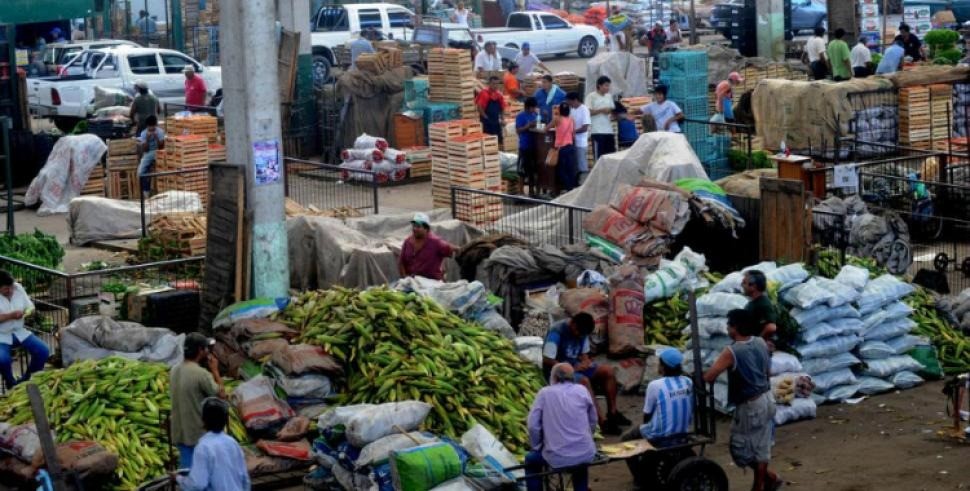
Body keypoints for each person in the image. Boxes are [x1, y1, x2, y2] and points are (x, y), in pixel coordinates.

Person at [704, 309, 780, 491]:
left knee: (740, 449)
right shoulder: (761, 342)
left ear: (735, 328)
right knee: (761, 447)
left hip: (750, 405)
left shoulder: (732, 351)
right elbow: (768, 372)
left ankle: (764, 481)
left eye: (729, 324)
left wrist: (695, 377)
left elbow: (710, 376)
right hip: (767, 398)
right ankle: (764, 482)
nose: (727, 328)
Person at [542, 313, 631, 434]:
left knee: (608, 371)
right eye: (578, 332)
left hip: (575, 365)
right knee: (584, 381)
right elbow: (547, 359)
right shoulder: (557, 332)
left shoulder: (582, 332)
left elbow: (584, 354)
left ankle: (613, 413)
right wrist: (569, 368)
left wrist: (585, 362)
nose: (579, 335)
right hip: (557, 370)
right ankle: (601, 421)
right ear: (573, 324)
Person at [621, 349, 692, 488]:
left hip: (660, 434)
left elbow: (647, 414)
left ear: (663, 366)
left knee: (626, 439)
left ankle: (639, 479)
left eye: (659, 363)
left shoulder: (655, 385)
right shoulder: (688, 381)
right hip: (683, 429)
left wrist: (645, 433)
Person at [525, 363, 597, 491]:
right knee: (580, 464)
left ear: (555, 378)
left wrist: (537, 447)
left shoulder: (544, 393)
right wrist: (586, 438)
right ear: (572, 377)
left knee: (531, 460)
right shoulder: (582, 390)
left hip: (557, 456)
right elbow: (593, 420)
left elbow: (533, 425)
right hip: (585, 452)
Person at [171, 333, 225, 469]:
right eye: (206, 348)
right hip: (197, 432)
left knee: (187, 469)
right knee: (201, 471)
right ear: (201, 351)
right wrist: (215, 370)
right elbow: (221, 395)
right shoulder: (201, 374)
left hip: (180, 429)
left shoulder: (174, 370)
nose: (208, 351)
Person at [175, 398, 251, 490]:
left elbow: (197, 484)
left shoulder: (203, 447)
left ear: (204, 421)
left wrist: (179, 479)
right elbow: (245, 479)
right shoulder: (233, 443)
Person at [0, 271, 49, 389]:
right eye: (6, 289)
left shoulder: (18, 288)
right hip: (1, 335)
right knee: (3, 360)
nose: (10, 291)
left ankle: (27, 380)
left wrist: (29, 312)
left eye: (11, 287)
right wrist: (10, 316)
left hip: (19, 332)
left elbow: (30, 306)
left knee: (43, 351)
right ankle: (11, 383)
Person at [398, 212, 456, 280]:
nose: (415, 229)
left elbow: (451, 251)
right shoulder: (407, 242)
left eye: (418, 226)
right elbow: (401, 262)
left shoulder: (436, 242)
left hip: (430, 283)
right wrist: (405, 279)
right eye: (414, 226)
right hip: (411, 282)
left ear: (426, 229)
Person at [742, 270, 778, 344]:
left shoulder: (763, 303)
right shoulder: (754, 302)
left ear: (753, 286)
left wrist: (756, 342)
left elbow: (771, 327)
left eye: (744, 283)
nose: (742, 285)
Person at [550, 102, 579, 192]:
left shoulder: (557, 119)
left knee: (561, 170)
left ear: (560, 110)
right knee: (570, 169)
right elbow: (573, 134)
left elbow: (546, 128)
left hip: (561, 148)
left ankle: (568, 188)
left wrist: (554, 112)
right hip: (570, 146)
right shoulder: (571, 120)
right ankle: (571, 188)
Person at [586, 76, 615, 160]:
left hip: (608, 130)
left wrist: (610, 111)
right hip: (597, 130)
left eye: (608, 86)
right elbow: (588, 112)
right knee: (599, 156)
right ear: (599, 85)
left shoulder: (609, 96)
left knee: (610, 155)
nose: (608, 88)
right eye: (606, 85)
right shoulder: (591, 96)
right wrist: (601, 110)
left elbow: (612, 109)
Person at [516, 97, 540, 196]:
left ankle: (531, 191)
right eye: (533, 107)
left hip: (534, 145)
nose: (535, 109)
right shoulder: (520, 116)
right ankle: (521, 191)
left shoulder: (535, 115)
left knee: (532, 170)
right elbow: (518, 131)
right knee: (522, 170)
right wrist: (527, 126)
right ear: (529, 107)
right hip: (524, 146)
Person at [137, 115, 165, 195]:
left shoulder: (160, 131)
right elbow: (145, 149)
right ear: (147, 126)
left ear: (155, 125)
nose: (151, 128)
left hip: (159, 152)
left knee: (163, 170)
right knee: (140, 172)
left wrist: (156, 137)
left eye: (153, 126)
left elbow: (161, 147)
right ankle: (146, 191)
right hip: (149, 153)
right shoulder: (143, 133)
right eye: (150, 126)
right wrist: (147, 139)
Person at [565, 92, 590, 182]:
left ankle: (584, 182)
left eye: (570, 102)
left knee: (582, 164)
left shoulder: (584, 109)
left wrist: (573, 132)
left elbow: (585, 127)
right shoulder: (572, 110)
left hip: (581, 142)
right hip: (572, 141)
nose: (569, 105)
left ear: (575, 100)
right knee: (575, 164)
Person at [476, 76, 507, 145]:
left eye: (497, 84)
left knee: (498, 140)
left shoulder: (499, 95)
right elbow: (479, 107)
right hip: (486, 122)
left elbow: (502, 108)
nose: (495, 86)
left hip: (496, 121)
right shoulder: (484, 93)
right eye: (493, 83)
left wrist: (503, 119)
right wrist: (485, 117)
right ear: (489, 84)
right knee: (488, 142)